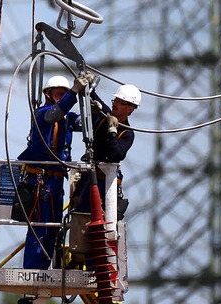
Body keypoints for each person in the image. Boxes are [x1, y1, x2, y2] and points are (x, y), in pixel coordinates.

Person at [17, 74, 91, 270]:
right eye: (58, 92)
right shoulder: (42, 113)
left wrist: (92, 99)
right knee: (40, 228)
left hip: (56, 183)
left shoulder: (67, 118)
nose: (62, 95)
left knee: (53, 229)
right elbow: (54, 114)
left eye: (64, 93)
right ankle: (33, 271)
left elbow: (86, 124)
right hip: (40, 181)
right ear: (48, 94)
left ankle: (44, 270)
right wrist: (74, 92)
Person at [72, 84, 141, 217]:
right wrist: (88, 84)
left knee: (100, 222)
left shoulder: (127, 133)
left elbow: (116, 155)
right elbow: (92, 96)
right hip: (87, 180)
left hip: (105, 184)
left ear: (130, 109)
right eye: (115, 101)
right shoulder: (105, 116)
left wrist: (112, 132)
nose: (115, 104)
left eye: (120, 103)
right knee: (81, 218)